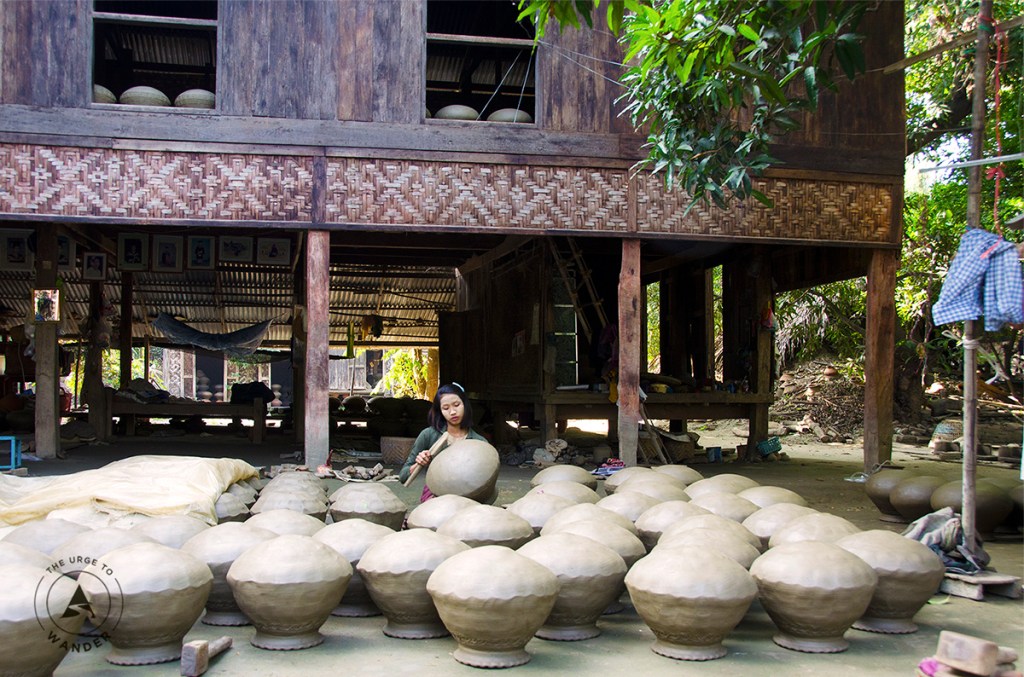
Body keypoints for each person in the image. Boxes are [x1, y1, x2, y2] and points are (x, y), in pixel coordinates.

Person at [398, 382, 486, 502]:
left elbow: (485, 481)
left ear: (465, 405)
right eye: (446, 408)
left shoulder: (480, 443)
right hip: (436, 498)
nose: (453, 412)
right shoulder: (428, 435)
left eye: (456, 405)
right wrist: (419, 463)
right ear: (440, 411)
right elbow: (403, 476)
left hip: (467, 498)